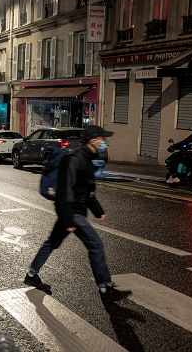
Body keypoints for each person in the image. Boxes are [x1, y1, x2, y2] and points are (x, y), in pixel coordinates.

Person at [24, 125, 132, 302]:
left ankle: (31, 274)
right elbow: (65, 191)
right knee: (95, 245)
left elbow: (86, 190)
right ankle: (105, 289)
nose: (104, 143)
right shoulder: (74, 159)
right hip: (72, 212)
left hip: (72, 212)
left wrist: (97, 210)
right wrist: (68, 219)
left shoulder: (87, 159)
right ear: (93, 140)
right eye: (102, 140)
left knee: (52, 242)